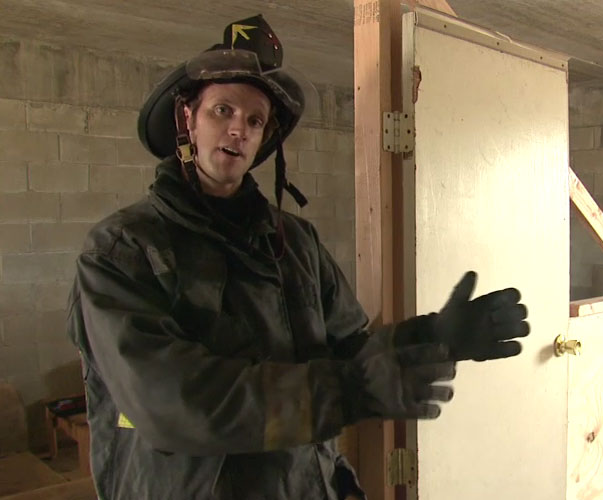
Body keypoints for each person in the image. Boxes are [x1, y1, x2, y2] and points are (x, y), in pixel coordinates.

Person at [66, 14, 530, 500]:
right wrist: (354, 390)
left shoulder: (296, 243)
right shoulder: (123, 250)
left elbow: (351, 350)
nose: (238, 130)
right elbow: (175, 404)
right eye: (222, 111)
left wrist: (433, 338)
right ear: (188, 119)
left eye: (254, 120)